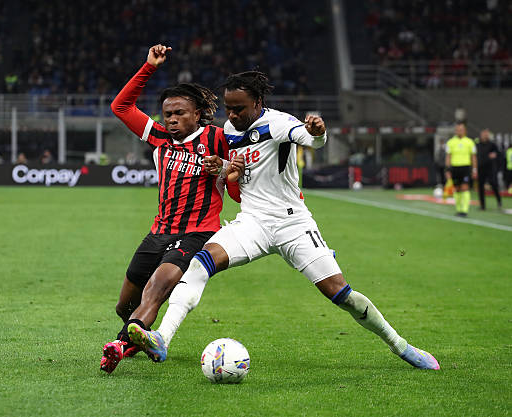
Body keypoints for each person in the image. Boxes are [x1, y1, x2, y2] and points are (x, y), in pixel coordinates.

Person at [127, 71, 440, 370]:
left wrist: (318, 132)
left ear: (257, 103)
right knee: (199, 264)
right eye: (229, 108)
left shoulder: (278, 123)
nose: (232, 115)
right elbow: (240, 174)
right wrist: (222, 167)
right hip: (252, 222)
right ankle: (162, 338)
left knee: (341, 294)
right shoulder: (231, 129)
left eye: (239, 108)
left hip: (293, 225)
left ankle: (401, 346)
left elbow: (310, 139)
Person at [100, 44, 244, 374]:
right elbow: (120, 107)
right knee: (125, 305)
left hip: (197, 233)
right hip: (159, 232)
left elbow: (237, 190)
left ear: (198, 113)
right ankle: (135, 337)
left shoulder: (220, 138)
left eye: (180, 113)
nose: (173, 119)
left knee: (157, 288)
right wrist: (149, 66)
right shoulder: (160, 137)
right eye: (168, 114)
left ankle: (120, 345)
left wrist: (225, 169)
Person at [445, 123, 477, 217]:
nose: (459, 131)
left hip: (465, 167)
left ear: (465, 131)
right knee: (457, 189)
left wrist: (474, 169)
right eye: (458, 130)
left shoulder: (470, 142)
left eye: (461, 129)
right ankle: (458, 209)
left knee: (465, 187)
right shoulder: (450, 142)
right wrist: (447, 169)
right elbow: (448, 156)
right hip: (454, 168)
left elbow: (473, 157)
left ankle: (464, 210)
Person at [475, 129, 502, 210]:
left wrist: (495, 155)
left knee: (493, 184)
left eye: (486, 134)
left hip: (490, 168)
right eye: (483, 134)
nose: (484, 136)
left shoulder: (492, 145)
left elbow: (499, 154)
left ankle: (499, 201)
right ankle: (482, 205)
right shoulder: (477, 145)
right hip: (481, 168)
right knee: (480, 186)